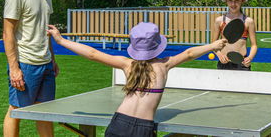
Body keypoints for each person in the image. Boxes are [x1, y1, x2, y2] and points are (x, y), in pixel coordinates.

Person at [47, 22, 227, 137]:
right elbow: (189, 53)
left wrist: (61, 40)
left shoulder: (128, 65)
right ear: (157, 46)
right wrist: (213, 45)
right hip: (143, 128)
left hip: (118, 124)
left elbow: (93, 54)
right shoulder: (164, 65)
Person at [3, 0, 59, 137]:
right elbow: (7, 33)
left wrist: (52, 58)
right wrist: (14, 68)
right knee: (15, 111)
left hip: (45, 63)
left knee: (45, 113)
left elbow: (45, 27)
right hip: (25, 64)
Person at [211, 0, 258, 70]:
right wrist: (219, 55)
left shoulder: (248, 21)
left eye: (237, 0)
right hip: (224, 63)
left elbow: (254, 45)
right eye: (230, 0)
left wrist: (250, 58)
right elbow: (213, 44)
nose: (233, 4)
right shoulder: (219, 20)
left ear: (242, 1)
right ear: (226, 1)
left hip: (242, 64)